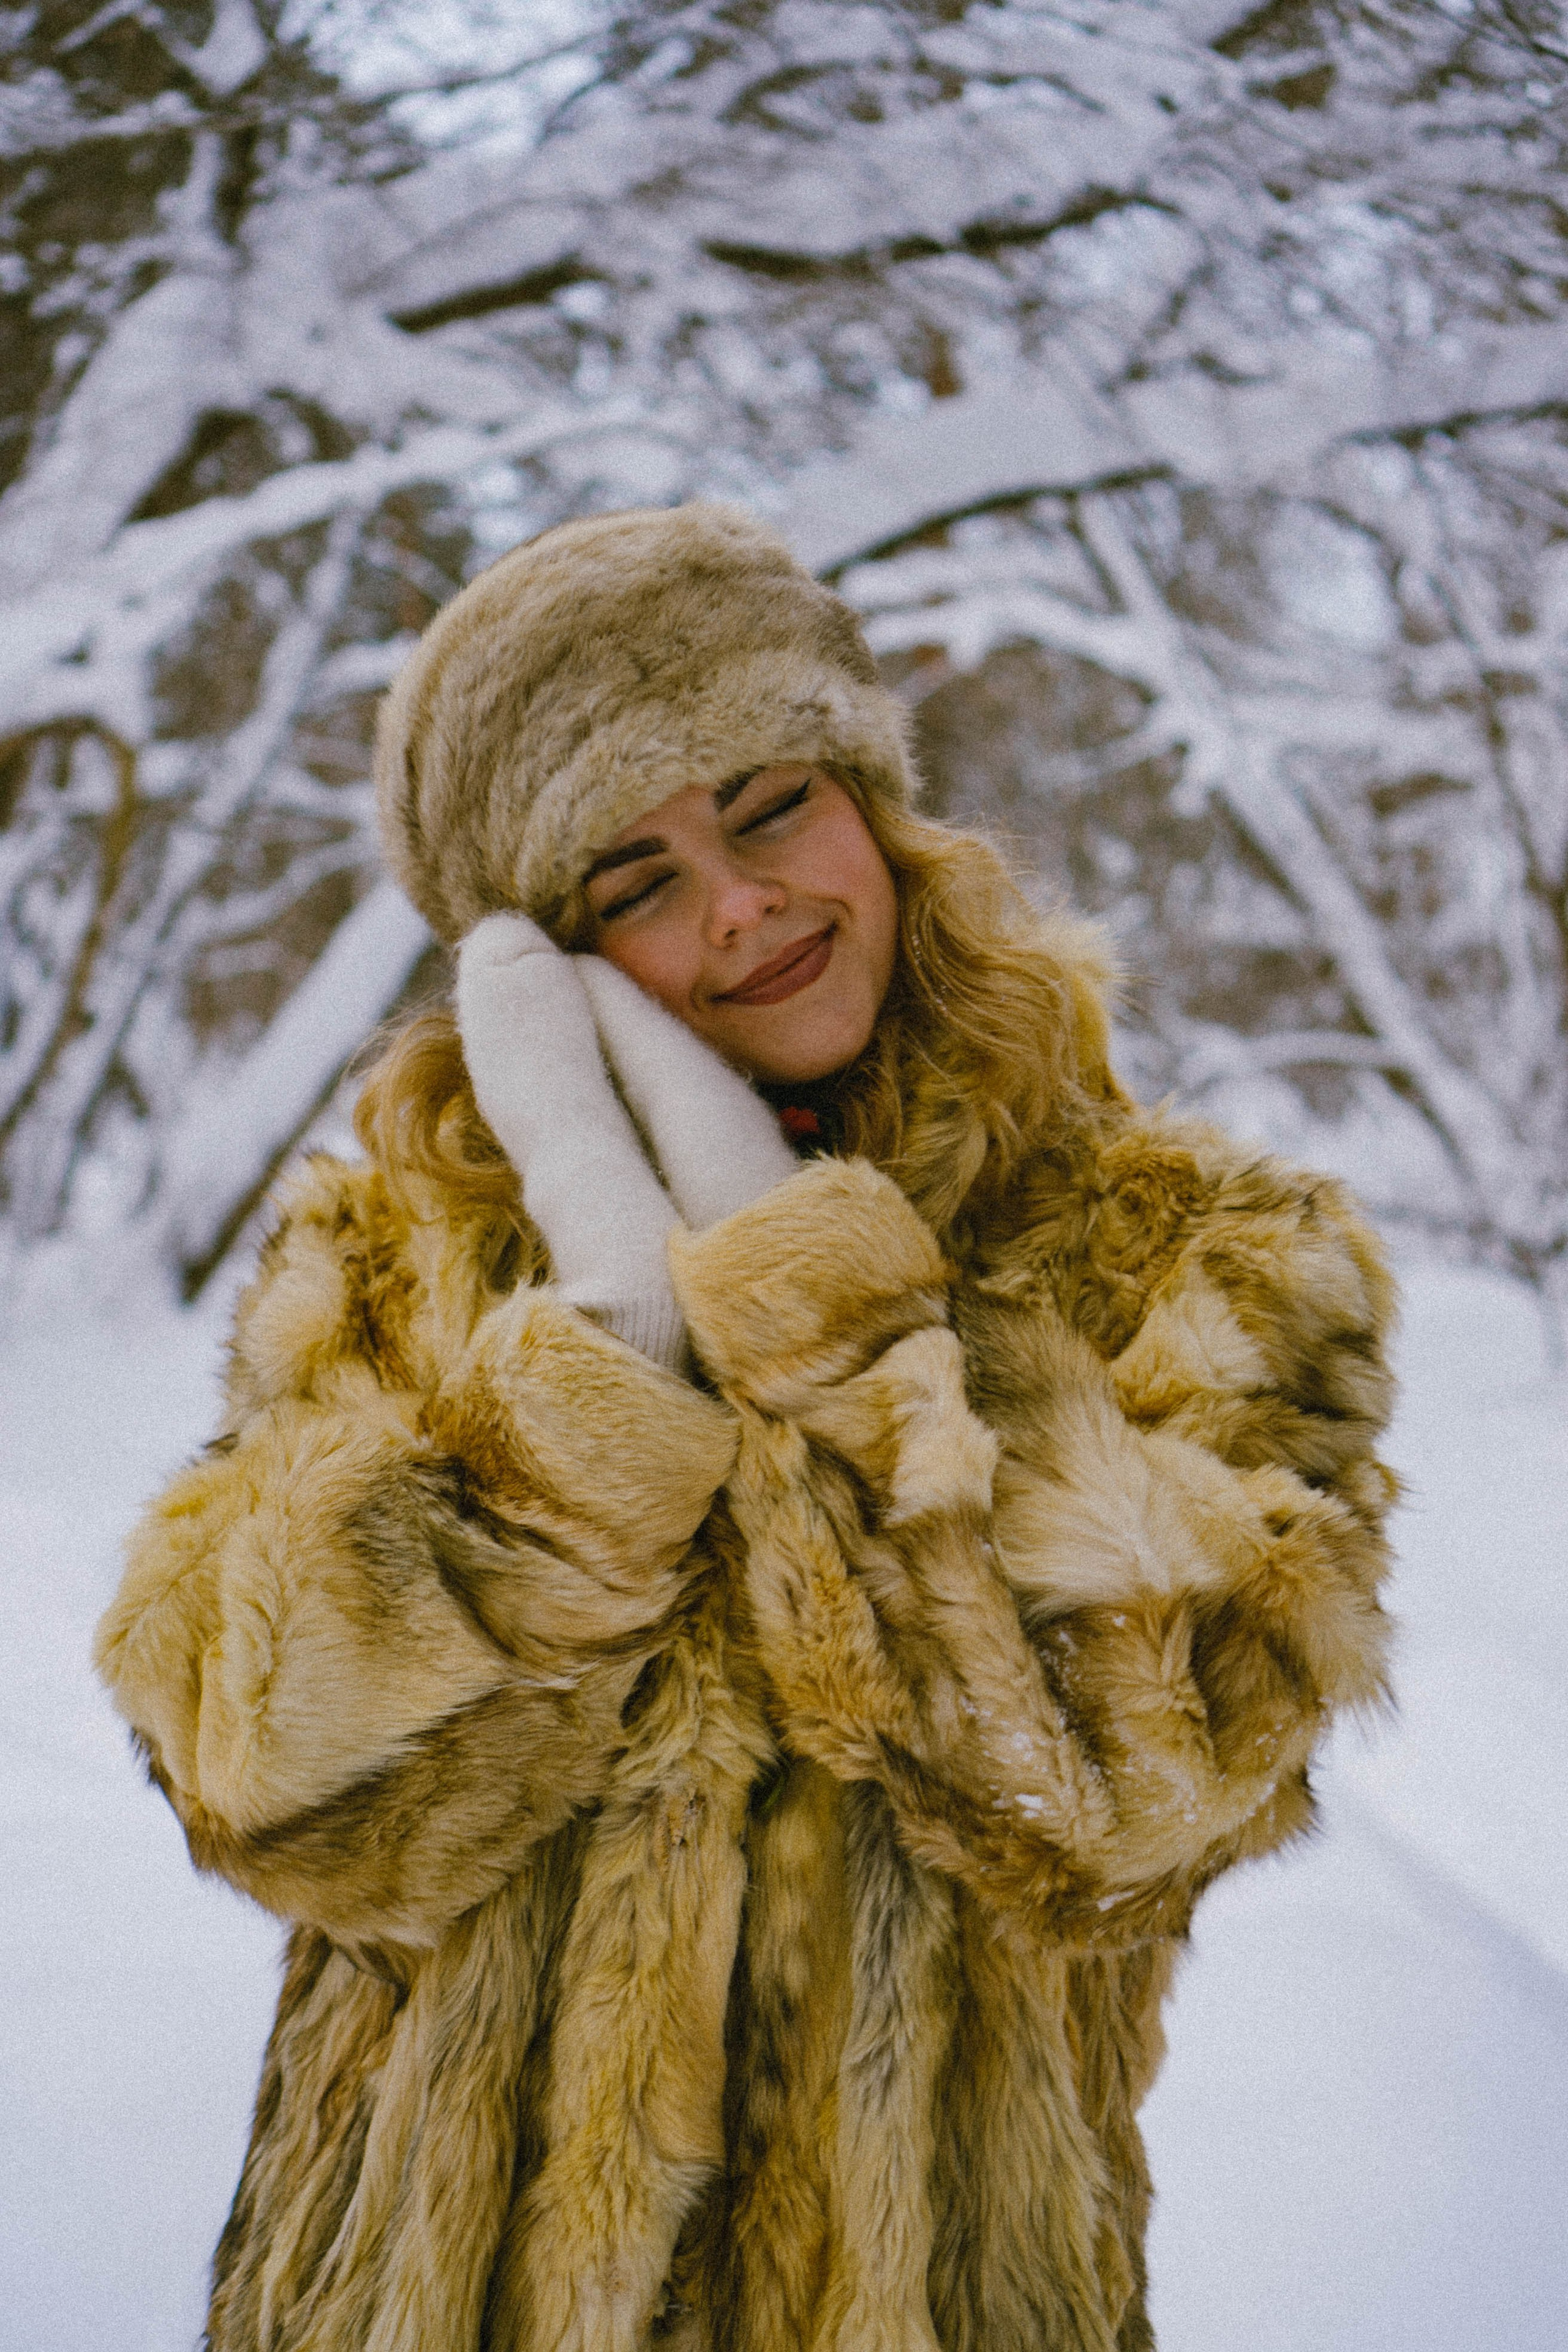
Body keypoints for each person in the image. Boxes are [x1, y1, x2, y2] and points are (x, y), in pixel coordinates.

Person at [94, 503, 1398, 2352]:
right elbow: (256, 1778)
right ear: (544, 957)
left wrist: (819, 1309)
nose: (739, 905)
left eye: (771, 805)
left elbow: (1126, 1800)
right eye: (630, 880)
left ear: (874, 802)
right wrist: (597, 1376)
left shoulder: (1194, 1257)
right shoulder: (396, 1255)